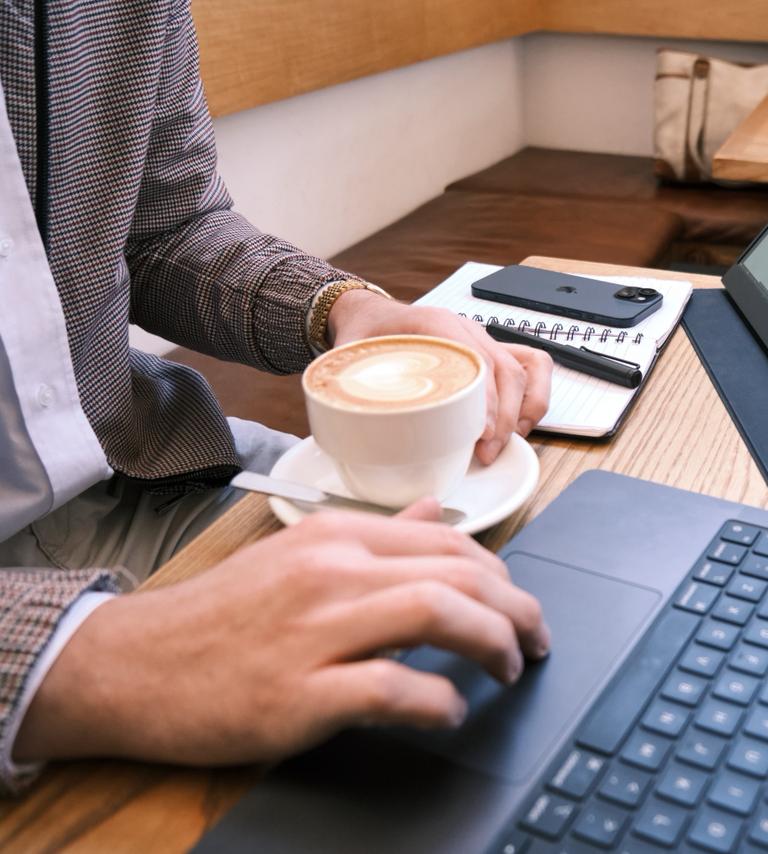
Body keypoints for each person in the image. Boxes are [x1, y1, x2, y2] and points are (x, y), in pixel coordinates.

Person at [0, 2, 553, 793]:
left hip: (140, 471)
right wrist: (73, 659)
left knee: (514, 593)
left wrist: (348, 310)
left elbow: (167, 231)